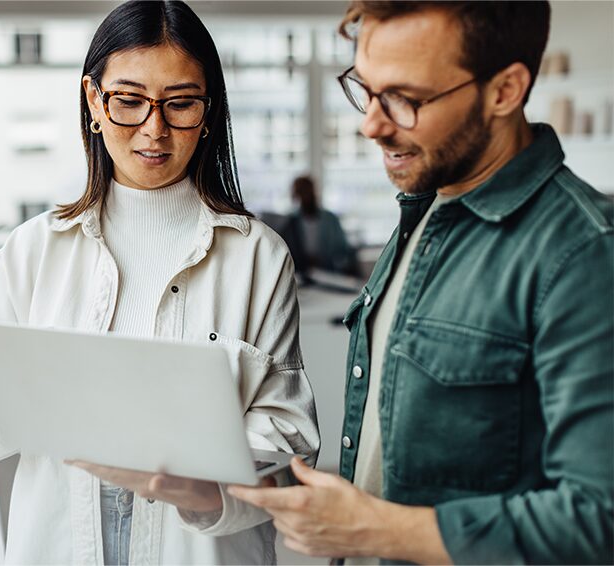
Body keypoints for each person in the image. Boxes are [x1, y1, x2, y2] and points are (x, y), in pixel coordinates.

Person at [229, 2, 613, 564]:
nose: (371, 124)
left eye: (405, 99)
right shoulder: (425, 211)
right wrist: (228, 486)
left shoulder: (584, 252)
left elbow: (599, 520)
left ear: (505, 90)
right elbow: (388, 464)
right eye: (366, 88)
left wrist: (377, 531)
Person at [0, 1, 319, 564]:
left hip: (201, 546)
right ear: (94, 101)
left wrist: (200, 487)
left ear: (209, 110)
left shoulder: (258, 257)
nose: (154, 129)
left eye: (180, 103)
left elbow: (289, 440)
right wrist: (46, 384)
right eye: (129, 100)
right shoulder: (31, 250)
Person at [286, 175, 360, 279]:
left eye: (306, 191)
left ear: (313, 191)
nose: (304, 197)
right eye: (300, 193)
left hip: (329, 274)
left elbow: (343, 249)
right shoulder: (291, 221)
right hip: (301, 276)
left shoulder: (330, 219)